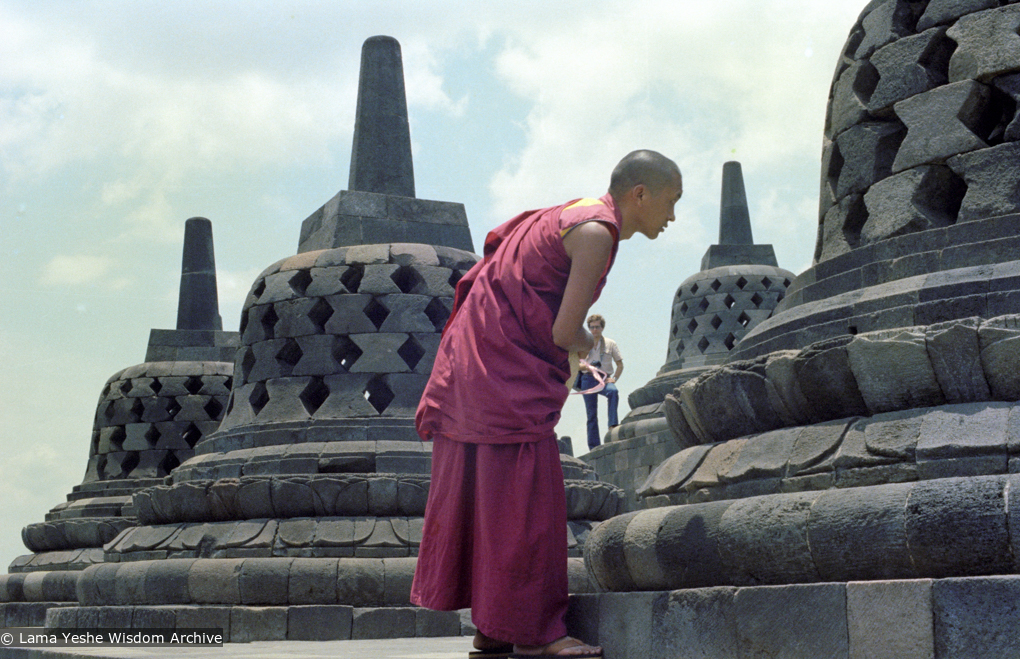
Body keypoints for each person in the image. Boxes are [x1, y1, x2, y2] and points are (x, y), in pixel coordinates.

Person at [411, 150, 683, 658]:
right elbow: (563, 331)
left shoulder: (569, 213)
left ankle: (491, 630)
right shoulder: (597, 234)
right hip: (502, 376)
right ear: (640, 194)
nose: (673, 217)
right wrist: (588, 347)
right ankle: (539, 635)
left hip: (473, 365)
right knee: (528, 503)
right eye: (671, 202)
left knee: (491, 500)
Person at [577, 314, 623, 449]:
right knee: (591, 415)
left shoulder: (610, 343)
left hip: (604, 378)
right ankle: (594, 447)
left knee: (613, 392)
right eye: (591, 327)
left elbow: (620, 365)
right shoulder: (583, 343)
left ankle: (612, 425)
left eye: (597, 327)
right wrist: (587, 366)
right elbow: (576, 364)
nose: (594, 330)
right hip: (588, 378)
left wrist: (614, 378)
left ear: (602, 328)